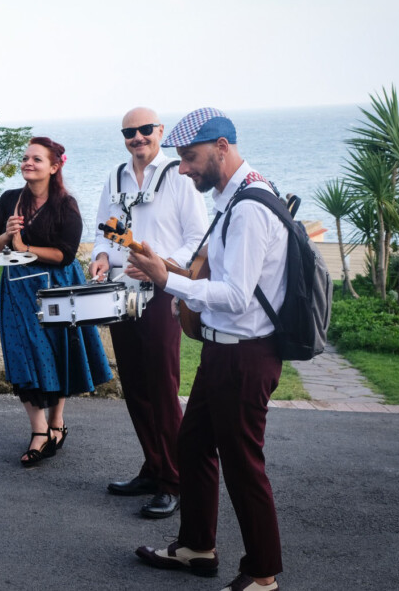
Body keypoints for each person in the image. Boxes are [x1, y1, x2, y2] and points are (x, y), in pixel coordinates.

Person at [129, 108, 287, 591]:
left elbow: (237, 295)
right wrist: (171, 270)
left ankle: (262, 574)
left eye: (190, 158)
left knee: (243, 465)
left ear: (221, 146)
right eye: (179, 160)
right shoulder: (234, 195)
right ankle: (197, 546)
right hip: (224, 351)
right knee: (193, 444)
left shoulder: (249, 209)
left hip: (245, 354)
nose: (182, 169)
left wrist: (167, 282)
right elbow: (216, 276)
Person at [91, 108, 207, 518]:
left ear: (159, 131)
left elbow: (197, 236)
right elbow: (104, 229)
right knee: (136, 387)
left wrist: (163, 267)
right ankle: (153, 467)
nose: (137, 137)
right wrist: (102, 256)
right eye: (129, 132)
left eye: (144, 130)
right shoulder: (114, 176)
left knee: (161, 386)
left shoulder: (179, 175)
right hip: (120, 291)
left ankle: (175, 480)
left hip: (158, 292)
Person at [0, 137, 112, 467]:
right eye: (26, 158)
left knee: (58, 352)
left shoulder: (65, 205)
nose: (28, 163)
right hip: (17, 287)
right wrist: (7, 234)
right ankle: (39, 430)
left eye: (36, 159)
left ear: (54, 167)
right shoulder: (10, 199)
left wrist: (25, 247)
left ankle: (56, 422)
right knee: (24, 353)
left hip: (58, 286)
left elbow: (64, 254)